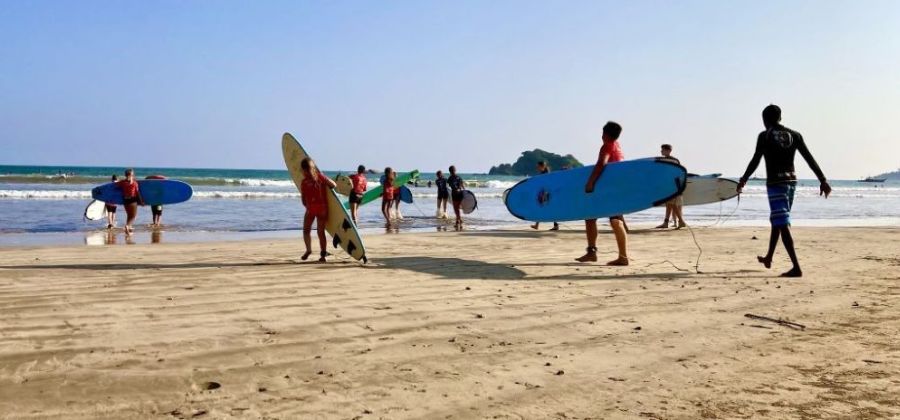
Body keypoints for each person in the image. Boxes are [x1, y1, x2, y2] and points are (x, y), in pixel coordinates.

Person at [737, 105, 830, 277]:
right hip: (791, 182)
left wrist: (743, 179)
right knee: (779, 219)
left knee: (781, 222)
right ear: (780, 118)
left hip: (775, 183)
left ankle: (796, 267)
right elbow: (809, 158)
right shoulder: (795, 135)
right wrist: (822, 180)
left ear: (765, 119)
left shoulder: (764, 136)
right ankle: (769, 257)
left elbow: (756, 160)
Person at [577, 121, 629, 266]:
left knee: (615, 221)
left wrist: (590, 182)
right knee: (591, 217)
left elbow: (602, 163)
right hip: (615, 188)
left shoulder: (607, 146)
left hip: (609, 191)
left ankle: (623, 257)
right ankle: (591, 252)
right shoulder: (617, 146)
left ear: (605, 134)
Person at [299, 157, 337, 262]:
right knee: (321, 232)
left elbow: (303, 200)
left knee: (306, 230)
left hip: (311, 208)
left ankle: (308, 250)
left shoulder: (304, 182)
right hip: (323, 208)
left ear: (303, 170)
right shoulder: (320, 177)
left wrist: (308, 207)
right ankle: (323, 255)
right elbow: (333, 185)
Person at [656, 144, 687, 229]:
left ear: (668, 150)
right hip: (671, 184)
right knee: (669, 204)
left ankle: (681, 221)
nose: (661, 151)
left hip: (672, 185)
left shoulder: (667, 160)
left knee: (672, 204)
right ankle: (666, 222)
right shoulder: (673, 160)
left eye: (663, 150)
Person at [530, 161, 560, 231]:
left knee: (544, 208)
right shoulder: (543, 173)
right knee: (543, 208)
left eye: (538, 167)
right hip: (545, 193)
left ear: (542, 166)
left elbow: (548, 185)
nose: (537, 168)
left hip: (547, 194)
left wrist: (545, 194)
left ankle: (555, 225)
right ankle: (538, 225)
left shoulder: (546, 174)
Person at [116, 169, 144, 234]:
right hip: (132, 200)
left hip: (125, 200)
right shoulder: (134, 183)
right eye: (133, 174)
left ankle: (128, 230)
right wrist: (141, 201)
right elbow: (137, 193)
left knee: (129, 215)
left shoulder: (122, 182)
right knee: (133, 216)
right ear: (132, 175)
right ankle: (127, 226)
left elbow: (115, 186)